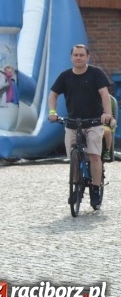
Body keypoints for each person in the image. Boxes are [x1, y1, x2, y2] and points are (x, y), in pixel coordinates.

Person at [48, 44, 114, 210]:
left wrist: (107, 113)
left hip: (93, 122)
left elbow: (104, 94)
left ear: (87, 57)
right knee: (73, 157)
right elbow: (53, 95)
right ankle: (77, 187)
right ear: (71, 57)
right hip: (72, 123)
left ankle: (96, 189)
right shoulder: (65, 76)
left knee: (94, 155)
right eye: (76, 55)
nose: (78, 58)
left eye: (81, 55)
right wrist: (52, 112)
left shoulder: (96, 73)